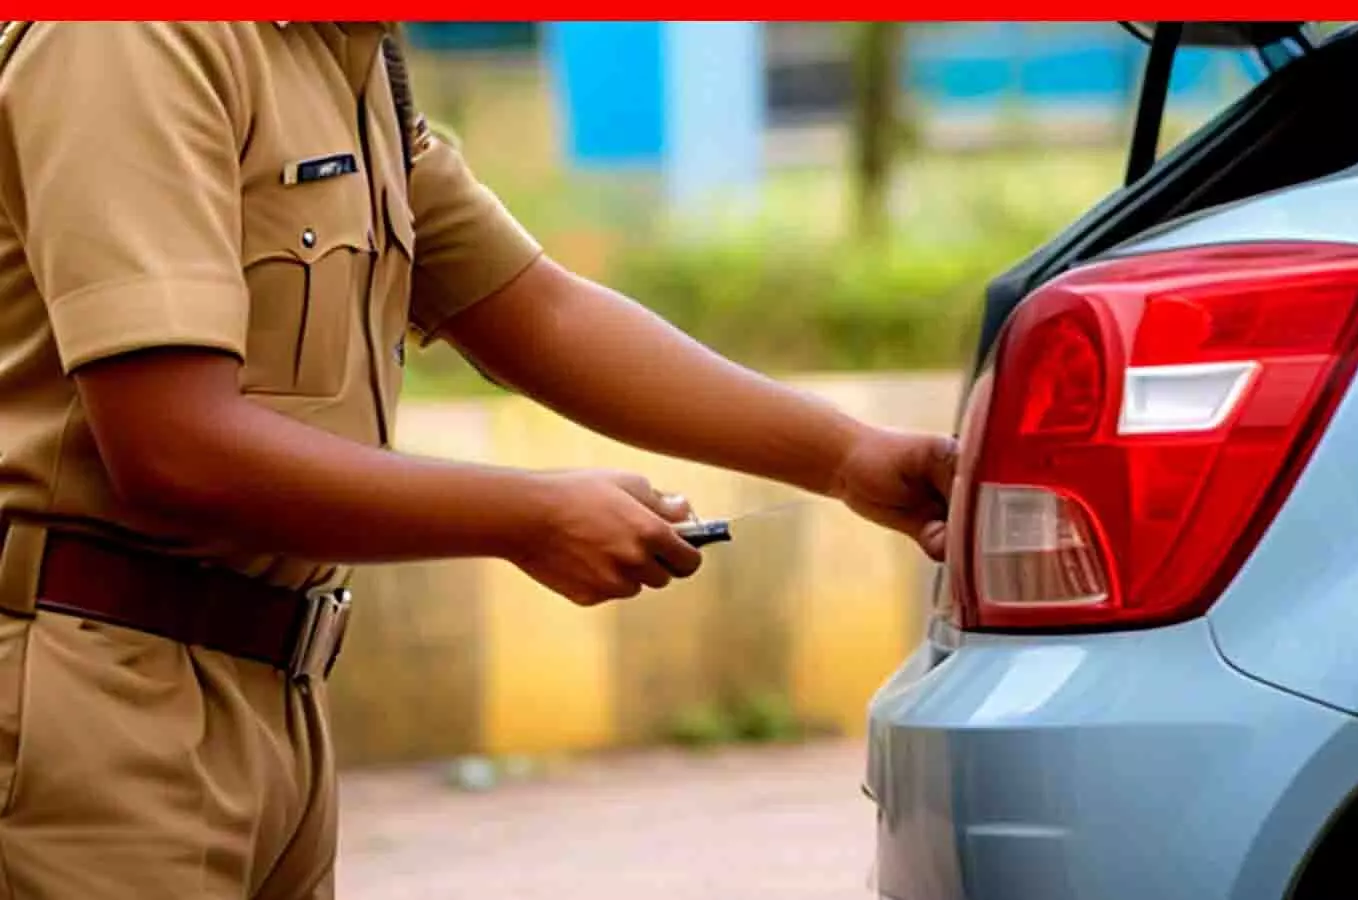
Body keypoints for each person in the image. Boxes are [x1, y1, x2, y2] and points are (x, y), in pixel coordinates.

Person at [0, 20, 956, 899]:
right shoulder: (132, 40)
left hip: (269, 685)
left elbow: (535, 310)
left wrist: (847, 457)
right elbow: (173, 448)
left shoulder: (352, 56)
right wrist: (528, 519)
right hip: (96, 691)